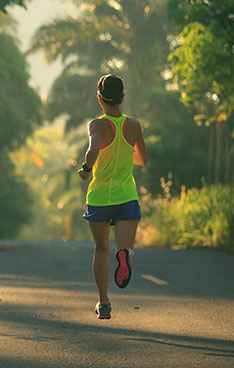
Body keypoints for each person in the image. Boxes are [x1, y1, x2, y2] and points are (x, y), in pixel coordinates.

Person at [77, 74, 148, 320]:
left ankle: (104, 302)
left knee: (101, 249)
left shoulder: (97, 125)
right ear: (122, 98)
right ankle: (125, 255)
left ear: (100, 99)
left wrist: (86, 170)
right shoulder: (134, 125)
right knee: (124, 247)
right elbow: (143, 160)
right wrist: (124, 154)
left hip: (100, 199)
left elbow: (92, 150)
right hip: (126, 197)